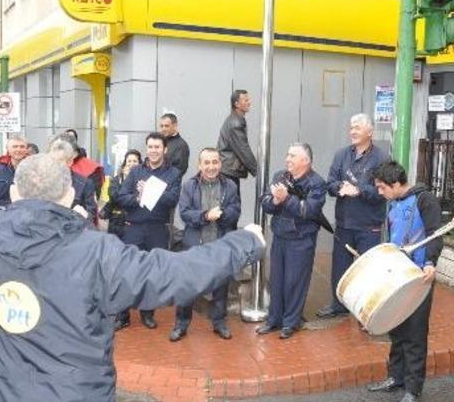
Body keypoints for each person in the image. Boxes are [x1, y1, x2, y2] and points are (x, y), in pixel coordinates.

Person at [0, 152, 265, 402]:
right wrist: (244, 243)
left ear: (14, 193)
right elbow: (174, 273)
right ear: (69, 195)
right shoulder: (96, 253)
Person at [365, 160, 441, 402]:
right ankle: (395, 377)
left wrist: (430, 262)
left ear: (396, 183)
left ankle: (413, 389)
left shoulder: (424, 200)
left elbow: (435, 234)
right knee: (396, 328)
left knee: (415, 334)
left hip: (418, 277)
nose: (380, 192)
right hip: (397, 275)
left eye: (382, 187)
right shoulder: (394, 203)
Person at [317, 113, 390, 319]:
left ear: (370, 132)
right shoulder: (341, 155)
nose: (353, 131)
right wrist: (340, 187)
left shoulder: (382, 158)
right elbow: (330, 183)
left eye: (357, 127)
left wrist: (358, 190)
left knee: (366, 269)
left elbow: (383, 191)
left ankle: (366, 310)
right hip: (344, 223)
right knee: (339, 267)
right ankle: (338, 305)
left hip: (369, 225)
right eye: (351, 127)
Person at [256, 143, 326, 339]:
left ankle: (290, 323)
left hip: (301, 240)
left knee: (295, 283)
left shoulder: (317, 183)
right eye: (288, 155)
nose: (288, 159)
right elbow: (265, 202)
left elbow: (308, 211)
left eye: (293, 156)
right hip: (279, 237)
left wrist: (286, 199)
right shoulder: (280, 176)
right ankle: (273, 320)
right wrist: (275, 201)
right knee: (276, 281)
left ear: (306, 160)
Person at [113, 132, 182, 330]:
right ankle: (122, 314)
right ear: (146, 149)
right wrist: (138, 196)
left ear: (165, 149)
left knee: (153, 273)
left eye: (157, 147)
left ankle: (147, 313)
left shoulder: (173, 173)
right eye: (150, 147)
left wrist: (151, 191)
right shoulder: (136, 171)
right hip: (134, 228)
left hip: (157, 229)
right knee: (127, 271)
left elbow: (172, 199)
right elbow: (121, 197)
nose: (153, 150)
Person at [170, 147, 240, 341]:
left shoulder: (230, 186)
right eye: (206, 162)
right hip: (195, 246)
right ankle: (181, 324)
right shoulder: (189, 186)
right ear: (199, 165)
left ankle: (220, 323)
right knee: (187, 286)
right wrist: (205, 216)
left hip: (220, 244)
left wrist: (222, 215)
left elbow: (235, 211)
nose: (211, 167)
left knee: (221, 287)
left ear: (220, 163)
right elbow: (184, 213)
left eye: (214, 162)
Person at [48, 134, 98, 223]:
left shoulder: (84, 184)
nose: (55, 164)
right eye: (52, 160)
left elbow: (91, 214)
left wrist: (81, 215)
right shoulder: (42, 181)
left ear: (70, 161)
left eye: (59, 161)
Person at [217, 89, 258, 190]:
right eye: (246, 100)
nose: (249, 102)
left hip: (227, 169)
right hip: (228, 171)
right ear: (237, 104)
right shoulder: (235, 123)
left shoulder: (235, 119)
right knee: (232, 199)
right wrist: (257, 171)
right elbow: (243, 149)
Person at [99, 150, 141, 239]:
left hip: (134, 222)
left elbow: (139, 199)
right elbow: (114, 196)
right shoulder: (116, 180)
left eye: (135, 161)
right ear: (124, 164)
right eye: (129, 161)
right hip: (116, 221)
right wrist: (127, 180)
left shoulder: (142, 181)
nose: (131, 164)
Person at [0, 137, 30, 209]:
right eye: (15, 147)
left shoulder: (33, 169)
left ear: (26, 149)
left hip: (27, 211)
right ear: (8, 149)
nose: (18, 149)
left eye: (22, 147)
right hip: (2, 212)